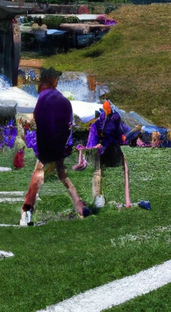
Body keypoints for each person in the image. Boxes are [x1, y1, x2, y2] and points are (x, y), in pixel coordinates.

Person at [20, 67, 90, 226]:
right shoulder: (61, 98)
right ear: (53, 82)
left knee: (39, 171)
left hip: (47, 140)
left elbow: (37, 120)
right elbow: (68, 124)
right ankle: (79, 205)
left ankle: (27, 211)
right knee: (62, 173)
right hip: (61, 141)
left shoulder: (43, 98)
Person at [87, 100, 132, 210]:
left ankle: (99, 197)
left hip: (108, 146)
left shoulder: (112, 118)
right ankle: (100, 198)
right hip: (108, 146)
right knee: (100, 171)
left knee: (98, 171)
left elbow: (113, 131)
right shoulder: (107, 118)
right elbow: (115, 132)